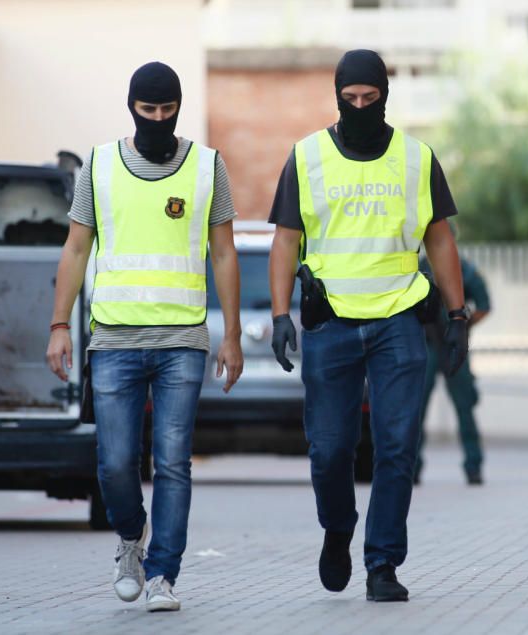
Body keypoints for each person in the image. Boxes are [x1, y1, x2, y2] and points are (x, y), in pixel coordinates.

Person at [267, 49, 467, 602]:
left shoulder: (416, 158)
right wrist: (280, 314)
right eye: (349, 100)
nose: (359, 108)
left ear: (384, 96)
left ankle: (383, 563)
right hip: (330, 324)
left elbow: (440, 238)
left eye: (369, 99)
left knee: (397, 446)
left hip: (399, 319)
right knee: (330, 449)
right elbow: (285, 238)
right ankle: (338, 527)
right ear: (337, 97)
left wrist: (457, 314)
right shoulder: (305, 158)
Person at [45, 61, 243, 612]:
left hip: (183, 339)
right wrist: (60, 325)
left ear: (179, 108)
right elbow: (76, 248)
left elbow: (224, 252)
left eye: (167, 110)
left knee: (174, 460)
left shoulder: (207, 167)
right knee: (114, 463)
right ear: (131, 107)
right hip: (112, 339)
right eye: (147, 110)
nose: (157, 119)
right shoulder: (100, 165)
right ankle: (131, 539)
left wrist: (232, 336)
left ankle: (163, 575)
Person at [415, 253, 491, 485]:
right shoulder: (418, 267)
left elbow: (484, 306)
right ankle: (411, 467)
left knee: (464, 408)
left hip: (450, 347)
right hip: (428, 344)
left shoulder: (463, 268)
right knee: (415, 411)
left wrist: (463, 326)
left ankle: (473, 466)